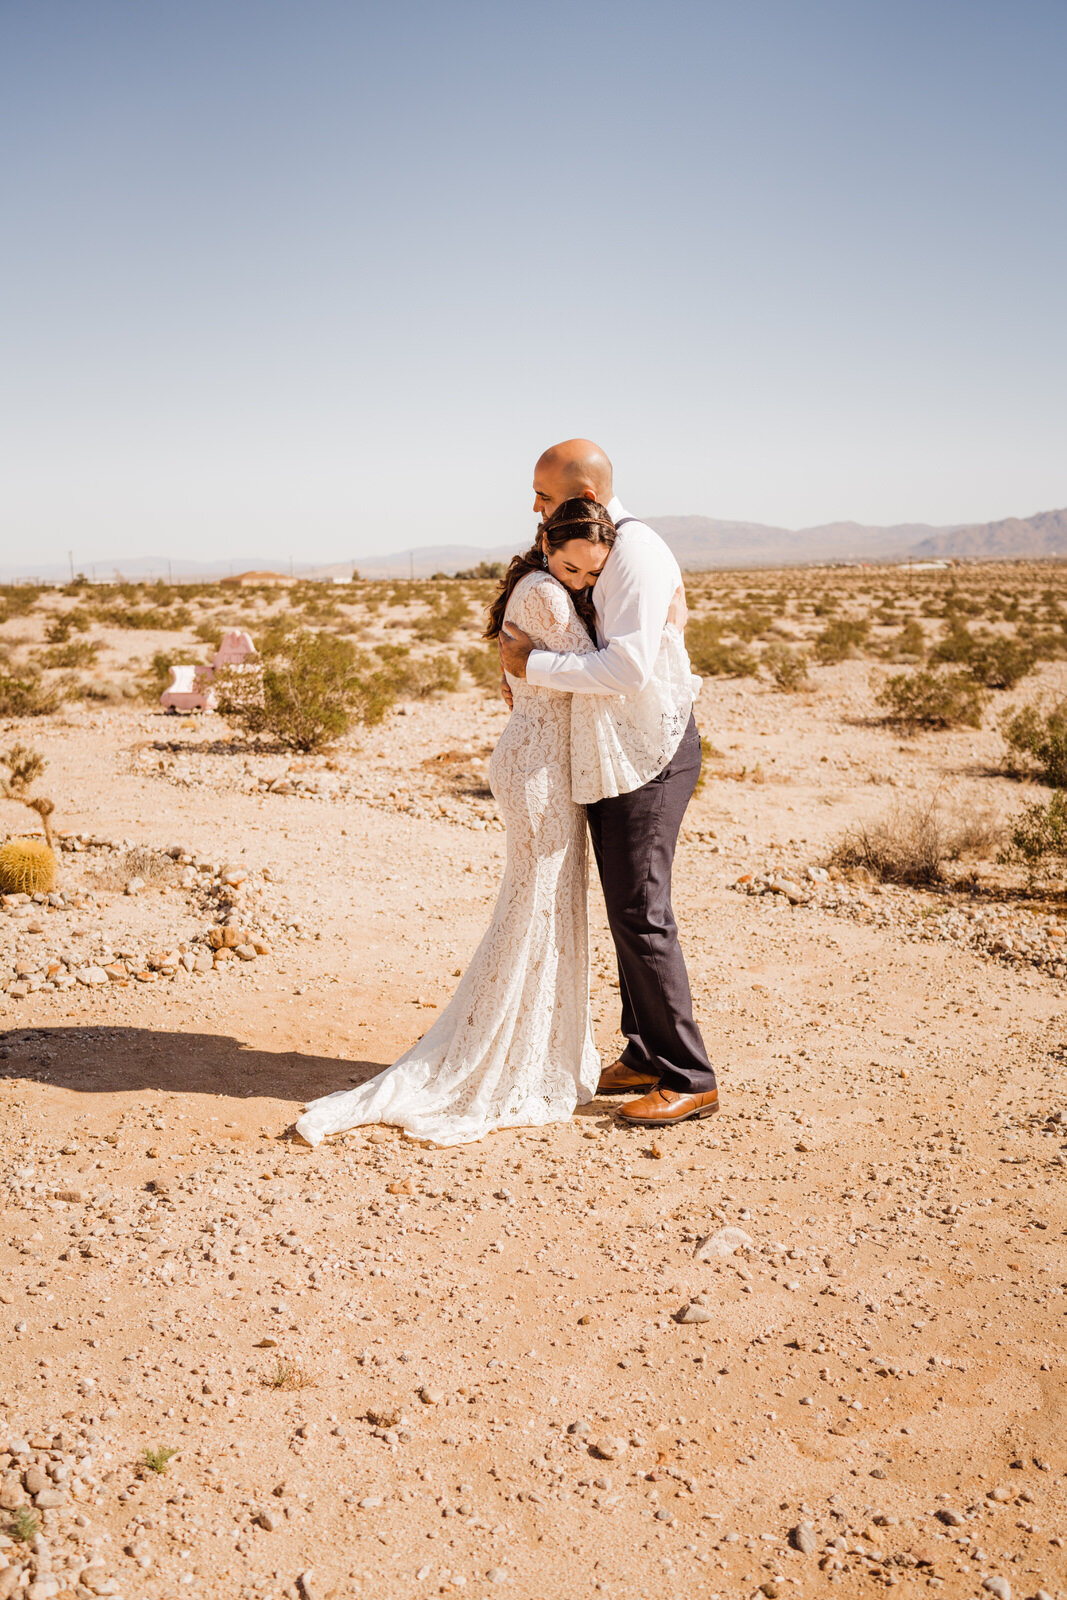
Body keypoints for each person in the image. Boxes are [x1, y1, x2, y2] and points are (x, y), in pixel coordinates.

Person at [294, 498, 615, 1148]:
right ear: (547, 548)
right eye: (572, 566)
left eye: (592, 574)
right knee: (532, 911)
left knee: (543, 908)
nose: (580, 582)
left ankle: (530, 1049)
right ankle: (489, 1057)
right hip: (537, 771)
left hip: (542, 763)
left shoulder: (543, 587)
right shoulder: (545, 594)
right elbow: (605, 673)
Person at [499, 438, 719, 1128]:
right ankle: (645, 1051)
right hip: (615, 749)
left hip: (648, 753)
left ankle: (689, 1075)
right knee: (625, 903)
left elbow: (625, 670)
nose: (535, 507)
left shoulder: (635, 554)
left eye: (544, 494)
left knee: (641, 909)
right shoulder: (600, 545)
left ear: (584, 496)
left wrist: (529, 666)